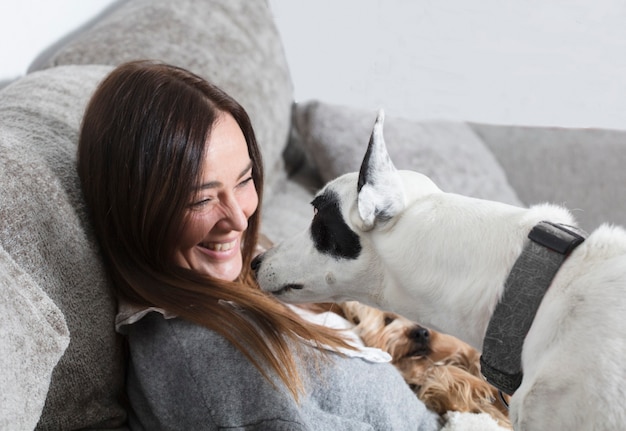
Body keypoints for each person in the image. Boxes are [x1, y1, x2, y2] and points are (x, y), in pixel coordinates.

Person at [77, 60, 440, 430]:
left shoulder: (244, 272)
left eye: (244, 180)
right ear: (133, 210)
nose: (239, 219)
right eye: (201, 200)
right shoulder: (207, 364)